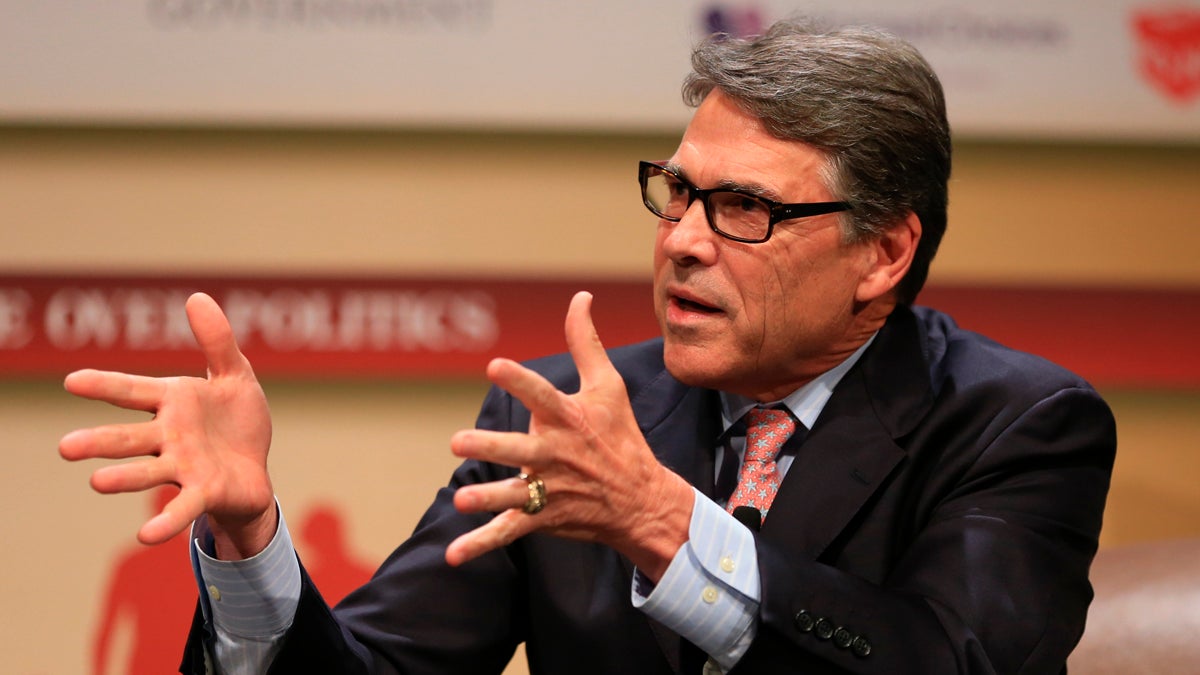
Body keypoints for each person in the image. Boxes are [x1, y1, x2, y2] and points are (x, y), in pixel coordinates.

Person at [60, 18, 1116, 675]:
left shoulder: (1019, 424)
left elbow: (946, 661)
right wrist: (252, 540)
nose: (684, 242)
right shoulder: (562, 416)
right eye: (680, 192)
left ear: (884, 251)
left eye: (743, 207)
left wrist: (661, 523)